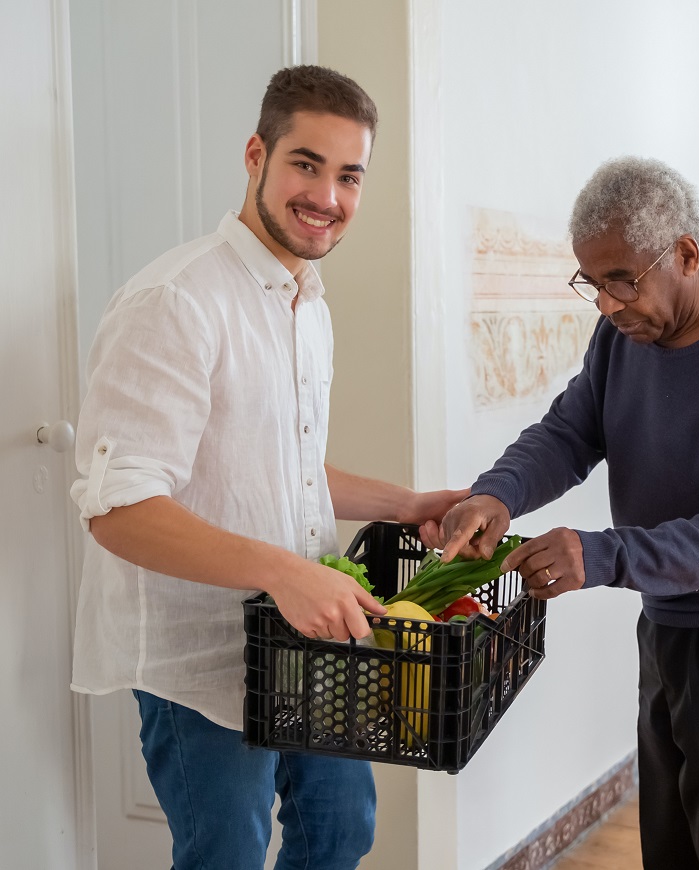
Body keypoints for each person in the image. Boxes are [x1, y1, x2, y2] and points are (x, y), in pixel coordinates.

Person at [70, 65, 466, 870]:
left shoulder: (304, 301)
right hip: (201, 656)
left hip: (304, 636)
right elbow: (118, 509)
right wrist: (285, 571)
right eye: (305, 164)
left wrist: (406, 499)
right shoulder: (176, 303)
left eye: (348, 175)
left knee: (340, 829)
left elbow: (280, 465)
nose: (327, 195)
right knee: (225, 854)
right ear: (256, 155)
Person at [423, 157, 699, 870]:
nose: (608, 304)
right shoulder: (623, 335)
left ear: (685, 253)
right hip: (671, 609)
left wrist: (600, 554)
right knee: (671, 836)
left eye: (622, 280)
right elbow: (570, 430)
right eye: (593, 282)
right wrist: (496, 494)